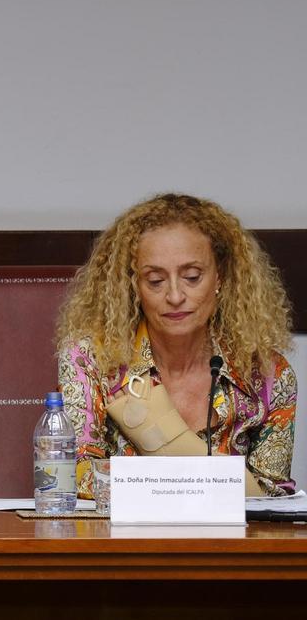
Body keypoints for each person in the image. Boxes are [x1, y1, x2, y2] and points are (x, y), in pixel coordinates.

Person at [56, 193, 296, 498]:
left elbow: (270, 498)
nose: (174, 296)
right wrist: (205, 481)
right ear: (134, 286)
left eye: (192, 277)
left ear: (220, 276)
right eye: (155, 280)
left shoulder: (269, 374)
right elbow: (73, 473)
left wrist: (156, 473)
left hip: (229, 544)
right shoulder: (91, 360)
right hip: (119, 542)